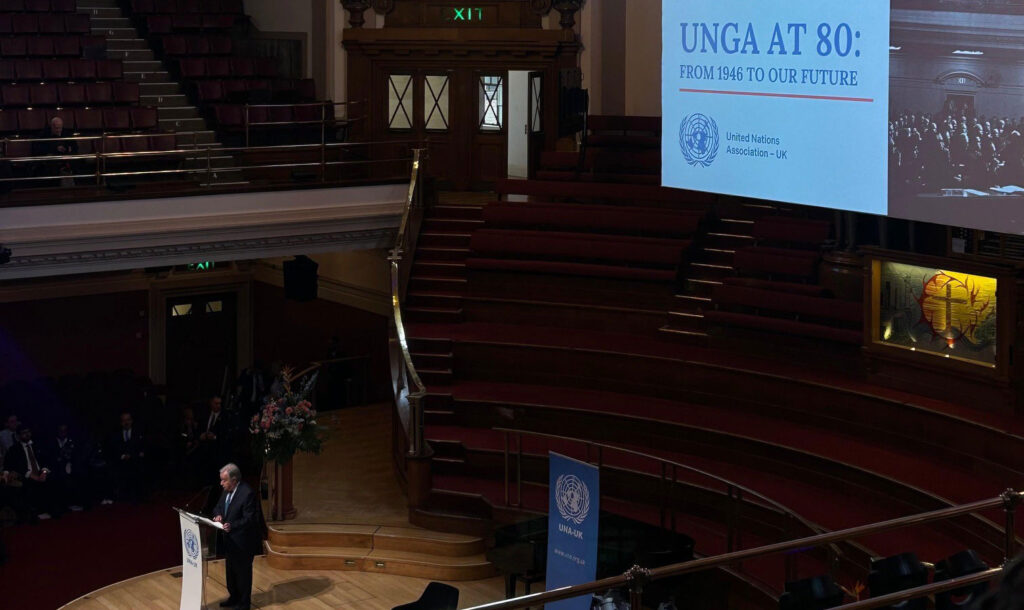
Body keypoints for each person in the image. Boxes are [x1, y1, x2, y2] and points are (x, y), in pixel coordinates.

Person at [212, 463, 260, 610]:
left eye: (224, 480)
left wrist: (232, 525)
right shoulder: (227, 491)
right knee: (231, 573)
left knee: (243, 574)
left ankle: (244, 603)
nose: (221, 484)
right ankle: (234, 598)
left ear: (234, 480)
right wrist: (218, 515)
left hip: (243, 542)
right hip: (230, 541)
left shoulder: (247, 494)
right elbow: (218, 507)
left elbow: (250, 519)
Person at [2, 425, 57, 520]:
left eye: (28, 432)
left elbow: (47, 461)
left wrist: (44, 472)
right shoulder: (14, 449)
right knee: (27, 486)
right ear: (19, 435)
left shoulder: (38, 445)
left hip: (41, 472)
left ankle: (51, 510)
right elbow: (14, 465)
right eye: (24, 433)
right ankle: (33, 513)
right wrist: (30, 475)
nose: (27, 435)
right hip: (26, 475)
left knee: (53, 480)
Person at [109, 412, 145, 502]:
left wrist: (133, 455)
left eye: (128, 420)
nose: (126, 422)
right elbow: (114, 448)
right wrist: (123, 456)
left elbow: (141, 447)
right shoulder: (116, 434)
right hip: (122, 460)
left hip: (136, 460)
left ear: (132, 421)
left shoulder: (138, 432)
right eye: (124, 420)